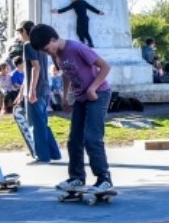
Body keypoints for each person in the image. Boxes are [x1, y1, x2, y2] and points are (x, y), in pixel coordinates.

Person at [29, 23, 113, 193]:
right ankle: (76, 178)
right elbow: (67, 74)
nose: (48, 53)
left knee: (92, 138)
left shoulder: (77, 48)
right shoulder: (56, 54)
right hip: (81, 97)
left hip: (98, 94)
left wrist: (92, 88)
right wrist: (66, 96)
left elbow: (105, 67)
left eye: (47, 49)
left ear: (53, 39)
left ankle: (104, 179)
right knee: (74, 139)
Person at [15, 21, 62, 163]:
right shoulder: (41, 46)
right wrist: (20, 93)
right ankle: (54, 153)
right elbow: (29, 73)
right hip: (44, 89)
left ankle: (42, 156)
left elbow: (36, 67)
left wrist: (32, 90)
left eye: (19, 32)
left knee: (36, 125)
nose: (19, 36)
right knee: (43, 123)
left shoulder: (28, 45)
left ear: (24, 31)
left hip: (36, 90)